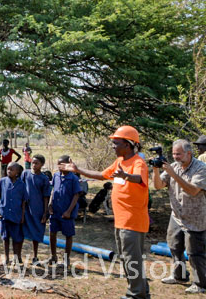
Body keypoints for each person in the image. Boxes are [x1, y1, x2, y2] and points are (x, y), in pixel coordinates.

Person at [60, 126, 150, 299]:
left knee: (132, 259)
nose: (113, 146)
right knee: (127, 258)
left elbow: (139, 178)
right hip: (121, 221)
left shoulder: (138, 163)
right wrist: (77, 170)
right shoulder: (120, 162)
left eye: (116, 143)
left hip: (133, 221)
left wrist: (126, 176)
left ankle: (136, 295)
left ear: (128, 144)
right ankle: (142, 292)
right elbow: (101, 175)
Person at [151, 139, 206, 294]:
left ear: (189, 153)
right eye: (174, 154)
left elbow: (193, 191)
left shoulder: (201, 168)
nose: (175, 157)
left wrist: (173, 174)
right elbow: (158, 185)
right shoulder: (173, 167)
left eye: (178, 154)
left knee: (195, 253)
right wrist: (155, 169)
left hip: (195, 218)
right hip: (177, 215)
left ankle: (200, 284)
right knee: (175, 247)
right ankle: (179, 275)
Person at [48, 155, 81, 266]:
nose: (59, 166)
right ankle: (53, 256)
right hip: (55, 210)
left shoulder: (74, 178)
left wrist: (68, 211)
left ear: (69, 164)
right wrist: (50, 203)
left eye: (62, 164)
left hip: (66, 212)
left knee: (68, 235)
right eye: (58, 164)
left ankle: (66, 259)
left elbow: (76, 195)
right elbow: (53, 190)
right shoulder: (56, 175)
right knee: (52, 233)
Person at [22, 154, 51, 264]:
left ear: (42, 165)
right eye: (32, 163)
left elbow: (45, 196)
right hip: (26, 207)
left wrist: (45, 212)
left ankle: (35, 255)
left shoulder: (44, 178)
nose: (34, 165)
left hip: (38, 208)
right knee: (21, 230)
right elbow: (21, 187)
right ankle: (18, 256)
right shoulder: (25, 173)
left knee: (37, 232)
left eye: (36, 163)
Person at [0, 162, 27, 264]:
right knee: (5, 237)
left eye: (11, 169)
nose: (9, 171)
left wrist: (22, 215)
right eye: (8, 169)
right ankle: (6, 257)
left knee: (16, 238)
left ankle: (15, 256)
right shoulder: (2, 181)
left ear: (17, 172)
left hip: (16, 215)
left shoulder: (22, 185)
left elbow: (23, 202)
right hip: (4, 214)